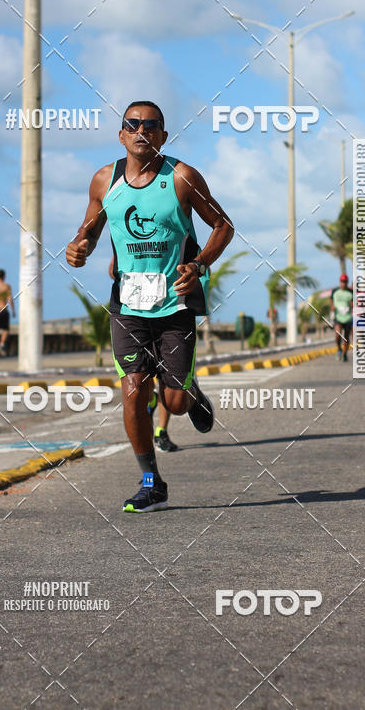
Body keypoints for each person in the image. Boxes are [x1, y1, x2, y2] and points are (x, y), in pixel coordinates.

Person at [66, 100, 233, 512]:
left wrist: (198, 264)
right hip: (128, 304)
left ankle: (191, 396)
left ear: (163, 134)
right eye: (133, 124)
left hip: (175, 302)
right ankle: (150, 480)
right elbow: (88, 230)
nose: (142, 130)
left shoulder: (181, 177)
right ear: (121, 134)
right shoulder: (105, 181)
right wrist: (79, 248)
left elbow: (223, 226)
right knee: (133, 390)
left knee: (173, 402)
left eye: (151, 125)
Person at [108, 259, 178, 452]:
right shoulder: (130, 242)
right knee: (141, 385)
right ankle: (152, 401)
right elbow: (112, 269)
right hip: (136, 318)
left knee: (168, 383)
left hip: (169, 317)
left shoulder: (173, 238)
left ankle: (161, 431)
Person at [331, 273, 353, 362]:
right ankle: (339, 349)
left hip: (347, 317)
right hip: (338, 317)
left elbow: (353, 303)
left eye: (345, 282)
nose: (343, 283)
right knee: (338, 334)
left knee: (346, 337)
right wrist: (332, 307)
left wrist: (352, 305)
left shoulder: (350, 292)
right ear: (340, 282)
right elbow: (331, 300)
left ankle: (345, 353)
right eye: (342, 281)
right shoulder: (335, 291)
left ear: (347, 282)